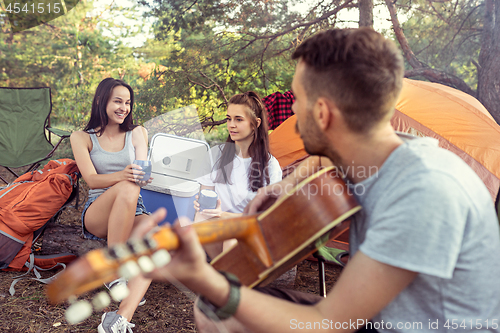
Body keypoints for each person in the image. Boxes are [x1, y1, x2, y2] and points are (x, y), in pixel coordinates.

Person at [140, 28, 500, 332]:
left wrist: (205, 279)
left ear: (324, 113)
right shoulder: (387, 152)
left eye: (297, 99)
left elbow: (329, 323)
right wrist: (280, 187)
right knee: (213, 313)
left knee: (219, 304)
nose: (291, 110)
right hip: (378, 319)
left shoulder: (424, 191)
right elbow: (323, 162)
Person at [70, 78, 153, 333]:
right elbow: (92, 181)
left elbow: (142, 173)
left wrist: (143, 176)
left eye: (127, 103)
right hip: (98, 212)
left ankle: (119, 319)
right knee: (128, 186)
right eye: (117, 101)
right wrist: (125, 176)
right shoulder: (82, 137)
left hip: (133, 209)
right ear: (101, 101)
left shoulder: (137, 132)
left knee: (155, 240)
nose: (124, 107)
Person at [194, 91, 282, 256]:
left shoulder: (271, 166)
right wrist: (203, 206)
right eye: (228, 118)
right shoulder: (215, 155)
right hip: (218, 230)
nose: (231, 125)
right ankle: (218, 272)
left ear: (255, 123)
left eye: (238, 119)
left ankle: (221, 276)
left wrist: (223, 215)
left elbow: (266, 218)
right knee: (199, 219)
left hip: (250, 232)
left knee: (232, 238)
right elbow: (205, 201)